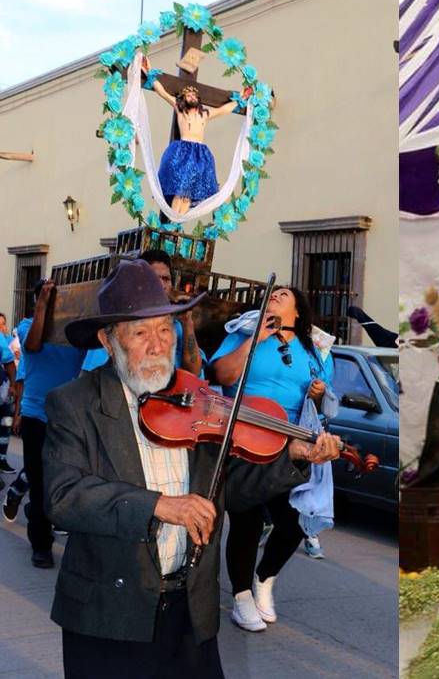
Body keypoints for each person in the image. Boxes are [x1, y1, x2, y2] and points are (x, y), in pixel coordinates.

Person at [44, 259, 340, 676]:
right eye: (140, 332)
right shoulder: (74, 403)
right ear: (108, 341)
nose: (157, 344)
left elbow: (229, 490)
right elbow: (64, 496)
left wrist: (293, 458)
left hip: (190, 611)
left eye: (165, 329)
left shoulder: (195, 398)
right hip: (108, 614)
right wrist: (159, 506)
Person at [211, 286, 335, 632]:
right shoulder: (244, 331)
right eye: (273, 293)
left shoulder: (316, 348)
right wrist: (255, 340)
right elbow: (222, 376)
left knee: (294, 519)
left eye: (284, 293)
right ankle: (240, 598)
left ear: (298, 310)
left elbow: (328, 402)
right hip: (244, 438)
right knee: (246, 520)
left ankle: (264, 579)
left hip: (289, 443)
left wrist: (320, 394)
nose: (276, 295)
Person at [9, 279, 85, 568]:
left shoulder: (73, 330)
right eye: (47, 298)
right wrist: (42, 305)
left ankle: (37, 513)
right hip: (36, 417)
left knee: (63, 482)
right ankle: (40, 544)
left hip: (68, 417)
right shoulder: (28, 325)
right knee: (39, 481)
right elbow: (33, 345)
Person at [81, 250, 205, 376]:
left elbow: (194, 373)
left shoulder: (177, 325)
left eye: (166, 278)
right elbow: (90, 380)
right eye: (154, 278)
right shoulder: (120, 327)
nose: (161, 285)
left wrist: (187, 322)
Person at [145, 56, 240, 216]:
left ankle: (179, 221)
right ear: (183, 99)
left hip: (200, 153)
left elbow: (224, 110)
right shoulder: (181, 111)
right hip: (183, 150)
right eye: (189, 95)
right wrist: (149, 73)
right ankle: (174, 219)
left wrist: (241, 100)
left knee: (189, 190)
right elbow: (162, 92)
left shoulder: (204, 114)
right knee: (180, 189)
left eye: (194, 96)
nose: (192, 97)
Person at [0, 311, 16, 474]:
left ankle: (2, 459)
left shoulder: (9, 341)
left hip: (3, 392)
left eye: (3, 324)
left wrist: (12, 385)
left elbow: (10, 363)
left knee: (5, 424)